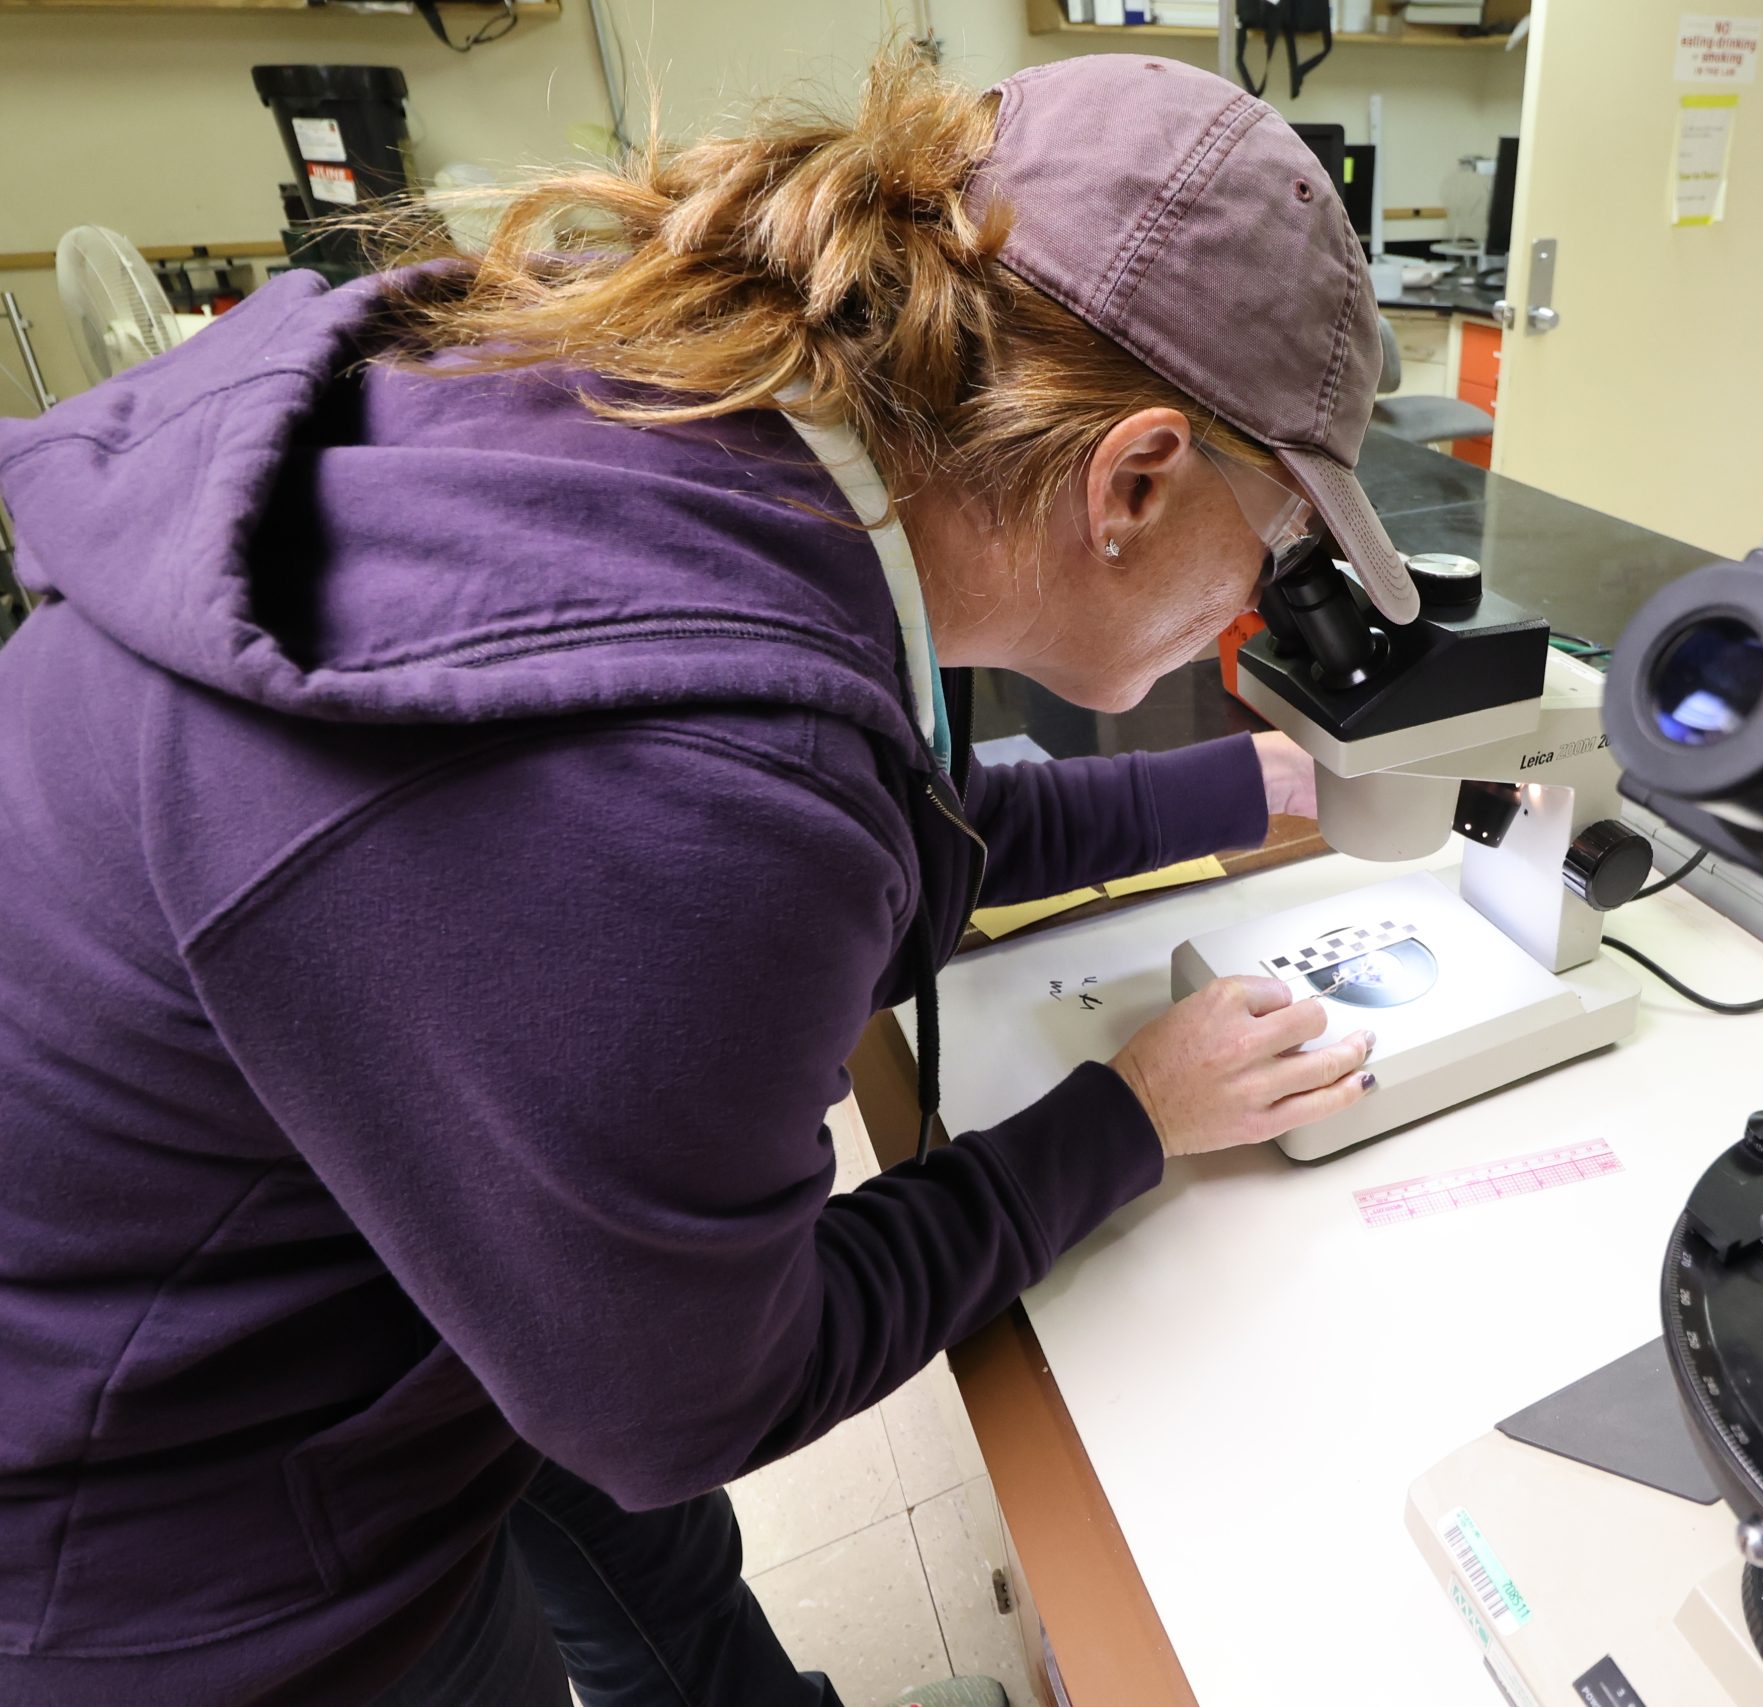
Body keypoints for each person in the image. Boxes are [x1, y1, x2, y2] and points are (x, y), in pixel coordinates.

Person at [0, 49, 1424, 1707]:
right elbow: (689, 1406)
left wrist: (1238, 788)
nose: (1265, 594)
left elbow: (888, 832)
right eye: (1279, 539)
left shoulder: (682, 445)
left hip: (366, 1245)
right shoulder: (674, 781)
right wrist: (1130, 1120)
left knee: (642, 1568)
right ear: (1135, 479)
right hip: (162, 1528)